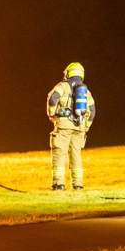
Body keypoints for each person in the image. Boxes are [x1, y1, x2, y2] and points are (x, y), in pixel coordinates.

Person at [46, 61, 96, 190]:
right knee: (76, 156)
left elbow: (53, 99)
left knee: (59, 153)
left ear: (68, 73)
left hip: (63, 126)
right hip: (79, 127)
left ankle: (58, 184)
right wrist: (86, 127)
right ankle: (78, 184)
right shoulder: (86, 91)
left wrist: (52, 113)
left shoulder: (62, 86)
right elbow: (92, 111)